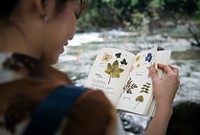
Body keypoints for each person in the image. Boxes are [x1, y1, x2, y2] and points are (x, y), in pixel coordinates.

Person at [0, 0, 180, 135]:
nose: (75, 28)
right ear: (43, 4)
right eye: (75, 14)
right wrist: (164, 106)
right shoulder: (83, 109)